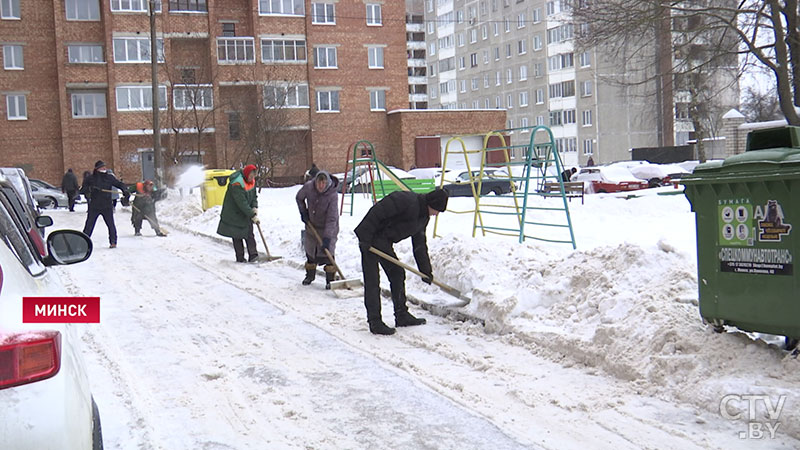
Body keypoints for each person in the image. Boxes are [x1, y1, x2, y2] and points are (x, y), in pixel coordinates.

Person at [354, 188, 449, 335]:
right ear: (432, 203)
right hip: (370, 238)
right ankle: (375, 322)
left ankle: (401, 314)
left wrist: (425, 271)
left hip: (384, 242)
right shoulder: (406, 201)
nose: (436, 214)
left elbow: (419, 245)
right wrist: (365, 238)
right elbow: (377, 212)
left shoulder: (423, 218)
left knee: (397, 273)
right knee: (372, 280)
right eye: (437, 210)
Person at [296, 171, 340, 289]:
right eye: (318, 183)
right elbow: (299, 197)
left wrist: (327, 238)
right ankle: (310, 276)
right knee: (311, 252)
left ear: (327, 183)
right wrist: (303, 212)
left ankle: (330, 280)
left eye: (323, 183)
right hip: (312, 226)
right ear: (315, 181)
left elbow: (332, 219)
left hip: (328, 227)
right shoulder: (309, 187)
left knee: (328, 252)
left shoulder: (332, 195)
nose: (320, 186)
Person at [82, 160, 130, 248]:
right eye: (102, 167)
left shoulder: (109, 177)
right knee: (89, 225)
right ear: (97, 169)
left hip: (107, 205)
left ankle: (113, 242)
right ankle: (83, 242)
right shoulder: (90, 178)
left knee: (111, 225)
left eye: (105, 167)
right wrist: (91, 189)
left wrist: (125, 190)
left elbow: (119, 184)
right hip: (94, 206)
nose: (104, 168)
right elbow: (82, 190)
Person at [217, 164, 260, 263]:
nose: (252, 178)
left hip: (245, 212)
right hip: (233, 213)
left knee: (249, 233)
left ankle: (253, 256)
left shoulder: (251, 181)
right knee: (237, 235)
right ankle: (240, 257)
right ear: (246, 174)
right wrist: (252, 214)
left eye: (254, 177)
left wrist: (254, 207)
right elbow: (241, 202)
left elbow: (254, 196)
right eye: (251, 176)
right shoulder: (237, 183)